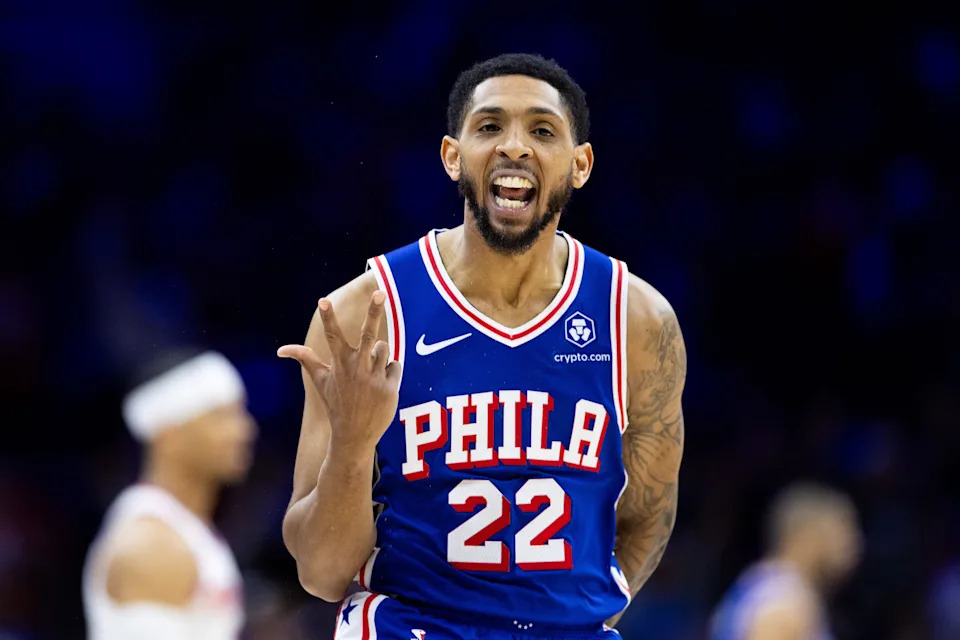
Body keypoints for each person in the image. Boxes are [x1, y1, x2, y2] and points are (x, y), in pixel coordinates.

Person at [278, 53, 686, 639]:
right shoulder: (366, 316)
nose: (514, 147)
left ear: (580, 165)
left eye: (542, 130)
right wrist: (351, 443)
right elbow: (321, 574)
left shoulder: (637, 321)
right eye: (490, 126)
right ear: (453, 156)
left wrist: (568, 616)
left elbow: (648, 516)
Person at [83, 350, 257, 640]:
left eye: (240, 412)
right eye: (221, 417)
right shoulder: (151, 544)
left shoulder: (188, 530)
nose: (244, 430)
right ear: (167, 433)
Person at [709, 482, 863, 640]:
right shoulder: (785, 600)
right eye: (840, 533)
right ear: (808, 535)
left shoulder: (764, 584)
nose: (853, 546)